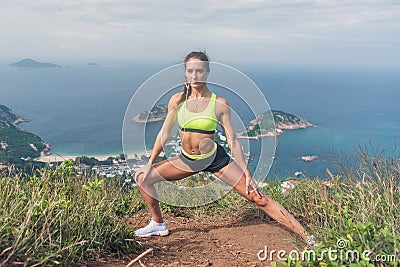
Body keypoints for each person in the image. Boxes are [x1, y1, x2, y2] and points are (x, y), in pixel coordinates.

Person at [134, 51, 315, 245]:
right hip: (187, 159)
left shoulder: (219, 104)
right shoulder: (177, 100)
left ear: (207, 72)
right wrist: (149, 163)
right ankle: (158, 223)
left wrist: (247, 173)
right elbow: (164, 134)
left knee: (258, 197)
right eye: (190, 71)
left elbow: (233, 140)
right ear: (185, 73)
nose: (195, 76)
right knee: (142, 177)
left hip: (215, 159)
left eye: (200, 71)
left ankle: (308, 237)